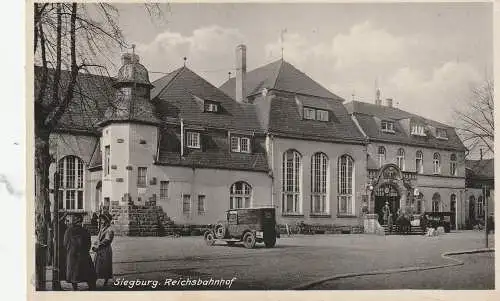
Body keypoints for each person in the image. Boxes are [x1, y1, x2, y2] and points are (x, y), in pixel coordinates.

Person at [64, 214, 96, 290]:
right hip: (83, 254)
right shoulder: (84, 230)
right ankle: (91, 287)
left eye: (73, 218)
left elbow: (65, 243)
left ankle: (75, 288)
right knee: (87, 272)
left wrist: (70, 250)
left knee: (73, 274)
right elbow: (88, 243)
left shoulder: (69, 230)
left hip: (73, 254)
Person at [93, 212, 115, 287]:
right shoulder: (102, 229)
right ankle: (96, 279)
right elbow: (98, 238)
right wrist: (95, 244)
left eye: (102, 220)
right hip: (100, 249)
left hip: (105, 250)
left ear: (106, 221)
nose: (101, 221)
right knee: (97, 265)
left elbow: (107, 240)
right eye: (101, 220)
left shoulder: (109, 229)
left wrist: (98, 246)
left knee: (105, 265)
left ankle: (105, 280)